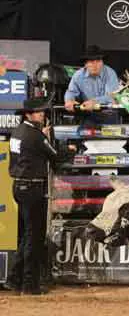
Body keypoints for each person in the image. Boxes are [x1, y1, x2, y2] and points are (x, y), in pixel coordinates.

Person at [5, 98, 75, 295]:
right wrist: (70, 150)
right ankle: (29, 284)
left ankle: (14, 278)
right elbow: (56, 156)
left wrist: (42, 137)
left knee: (27, 234)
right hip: (33, 188)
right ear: (29, 114)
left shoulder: (18, 131)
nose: (42, 114)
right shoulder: (35, 135)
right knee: (34, 236)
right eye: (39, 112)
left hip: (19, 186)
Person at [64, 45, 120, 127]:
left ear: (102, 62)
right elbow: (71, 92)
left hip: (108, 115)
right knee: (85, 136)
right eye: (91, 61)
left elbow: (113, 97)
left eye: (98, 61)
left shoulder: (110, 73)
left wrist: (95, 102)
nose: (95, 65)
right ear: (85, 64)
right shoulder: (78, 75)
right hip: (88, 116)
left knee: (109, 138)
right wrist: (69, 100)